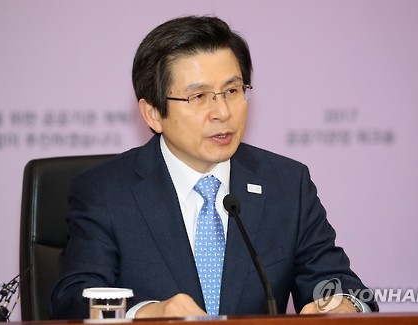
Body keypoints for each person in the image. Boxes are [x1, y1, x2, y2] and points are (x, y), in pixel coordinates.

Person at [50, 15, 378, 319]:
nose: (222, 111)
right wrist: (148, 313)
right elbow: (72, 298)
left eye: (232, 91)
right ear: (153, 113)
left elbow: (342, 285)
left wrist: (342, 303)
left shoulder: (286, 184)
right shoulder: (105, 192)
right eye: (199, 97)